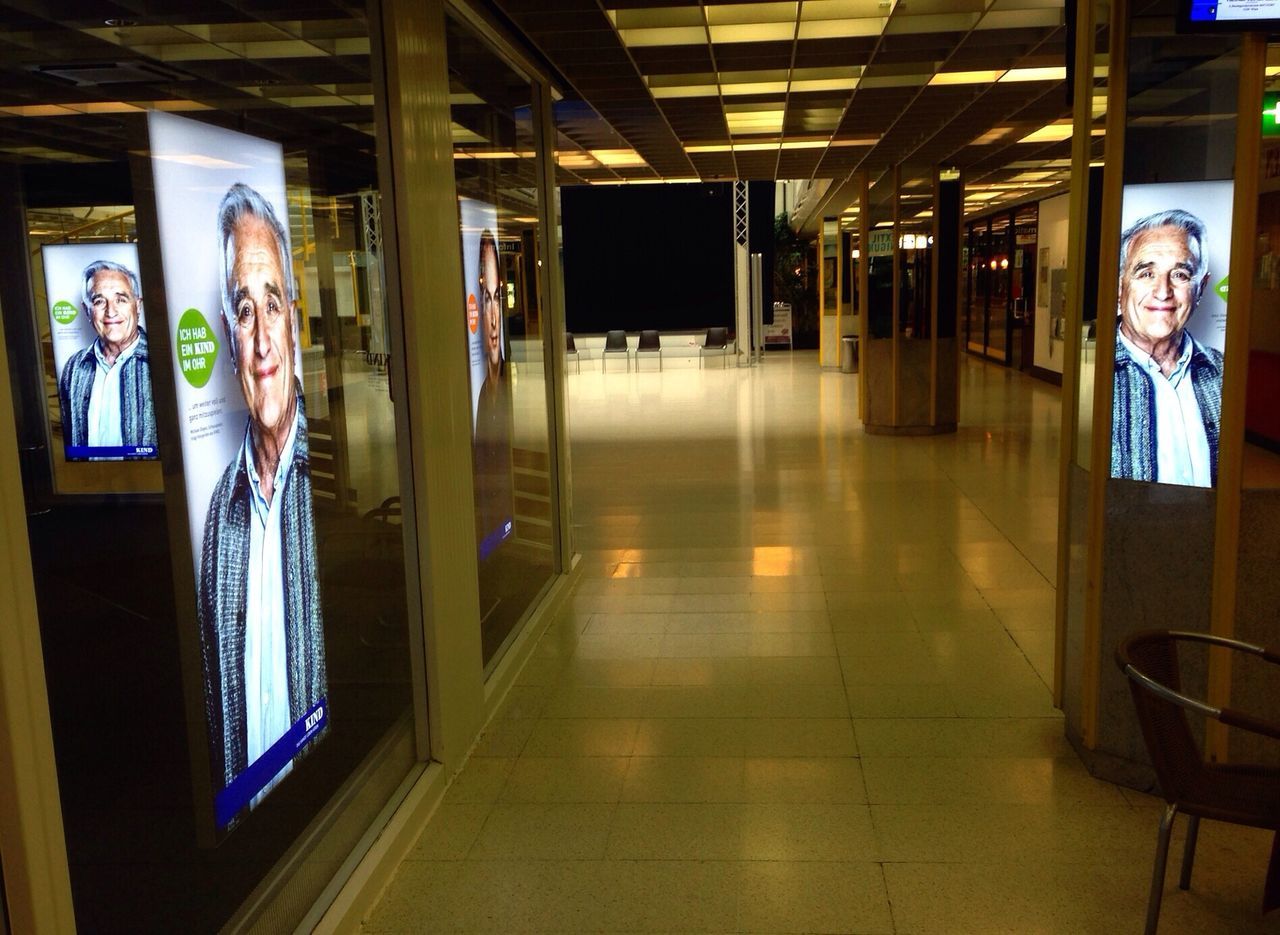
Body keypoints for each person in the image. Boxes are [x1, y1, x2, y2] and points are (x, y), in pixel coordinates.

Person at [198, 182, 326, 809]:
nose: (262, 343)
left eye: (272, 304)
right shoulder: (220, 515)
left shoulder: (326, 477)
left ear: (294, 320)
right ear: (228, 333)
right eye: (244, 312)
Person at [1112, 208, 1223, 487]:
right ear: (1119, 286)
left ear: (1201, 288)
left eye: (1181, 275)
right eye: (1146, 273)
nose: (1163, 292)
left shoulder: (1223, 371)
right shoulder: (1096, 372)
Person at [57, 260, 156, 453]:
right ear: (87, 311)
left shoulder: (161, 362)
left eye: (121, 299)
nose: (111, 311)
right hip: (90, 480)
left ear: (138, 306)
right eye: (99, 301)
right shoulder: (74, 367)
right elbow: (69, 437)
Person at [472, 229, 514, 557]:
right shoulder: (481, 401)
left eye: (497, 298)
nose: (494, 317)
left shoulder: (502, 392)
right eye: (486, 301)